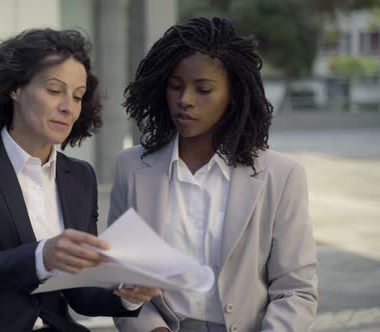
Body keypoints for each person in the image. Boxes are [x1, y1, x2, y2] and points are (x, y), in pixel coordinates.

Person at [0, 28, 160, 332]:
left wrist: (128, 294)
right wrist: (45, 256)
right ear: (15, 88)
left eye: (78, 96)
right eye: (54, 90)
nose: (68, 107)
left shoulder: (79, 176)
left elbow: (81, 293)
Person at [108, 17, 318, 332]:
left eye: (203, 89)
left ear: (233, 94)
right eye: (175, 86)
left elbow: (295, 289)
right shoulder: (132, 167)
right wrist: (151, 328)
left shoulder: (281, 175)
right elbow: (119, 278)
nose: (185, 100)